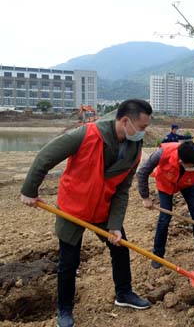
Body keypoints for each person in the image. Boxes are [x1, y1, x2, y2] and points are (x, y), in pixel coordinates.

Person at [20, 99, 153, 327]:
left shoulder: (135, 150)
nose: (143, 132)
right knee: (68, 261)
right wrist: (29, 190)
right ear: (125, 121)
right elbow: (45, 157)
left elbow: (122, 190)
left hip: (103, 208)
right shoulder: (86, 135)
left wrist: (115, 225)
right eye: (141, 127)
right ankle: (64, 310)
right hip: (73, 206)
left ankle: (124, 293)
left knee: (120, 248)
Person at [137, 141, 194, 268]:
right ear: (181, 161)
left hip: (187, 183)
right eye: (192, 165)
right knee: (164, 218)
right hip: (165, 183)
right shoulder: (162, 153)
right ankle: (158, 254)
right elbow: (143, 172)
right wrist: (145, 197)